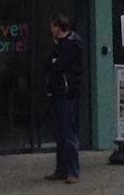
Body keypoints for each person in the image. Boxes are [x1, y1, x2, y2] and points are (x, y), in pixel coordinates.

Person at [44, 13, 83, 184]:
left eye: (52, 27)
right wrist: (53, 63)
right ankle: (61, 170)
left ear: (57, 27)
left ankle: (72, 171)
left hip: (67, 94)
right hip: (57, 92)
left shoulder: (71, 44)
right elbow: (49, 63)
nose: (50, 30)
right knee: (60, 134)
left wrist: (54, 63)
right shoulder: (58, 44)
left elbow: (59, 65)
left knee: (68, 133)